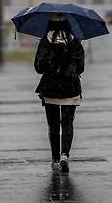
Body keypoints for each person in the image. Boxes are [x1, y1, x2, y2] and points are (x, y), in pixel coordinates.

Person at [34, 18, 85, 173]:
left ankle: (55, 159)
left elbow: (38, 67)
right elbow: (81, 68)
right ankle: (65, 154)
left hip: (51, 87)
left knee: (53, 125)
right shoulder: (75, 42)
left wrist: (52, 64)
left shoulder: (45, 41)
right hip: (71, 86)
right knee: (67, 123)